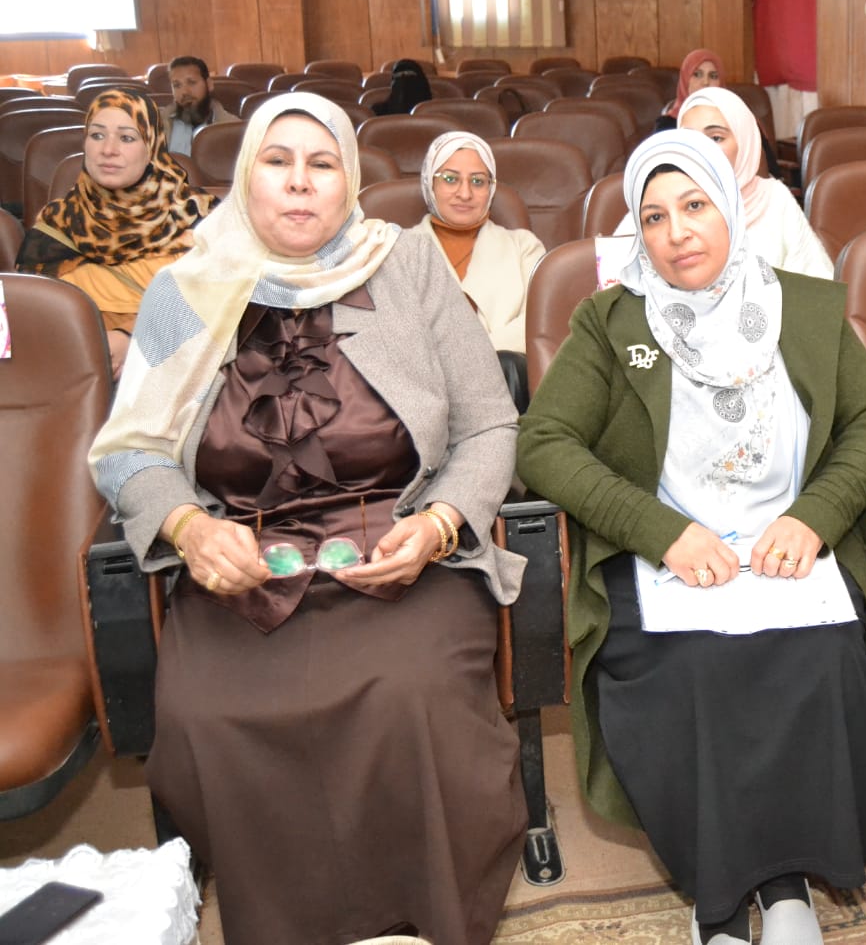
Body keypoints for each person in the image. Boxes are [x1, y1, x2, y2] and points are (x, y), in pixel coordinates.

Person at [87, 92, 527, 945]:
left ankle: (426, 921)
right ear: (244, 177)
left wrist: (441, 523)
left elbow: (489, 425)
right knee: (208, 718)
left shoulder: (407, 265)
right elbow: (128, 450)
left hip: (401, 552)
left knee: (416, 700)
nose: (299, 182)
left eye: (322, 164)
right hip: (240, 564)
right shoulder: (183, 290)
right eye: (277, 161)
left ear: (349, 181)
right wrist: (187, 528)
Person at [518, 131, 866, 945]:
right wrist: (661, 532)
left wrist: (815, 515)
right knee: (695, 667)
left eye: (694, 205)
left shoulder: (806, 308)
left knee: (818, 657)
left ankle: (789, 880)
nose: (676, 232)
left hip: (785, 545)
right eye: (653, 216)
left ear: (729, 208)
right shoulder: (611, 319)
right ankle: (721, 900)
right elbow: (544, 443)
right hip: (667, 557)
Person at [15, 87, 216, 377]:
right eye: (97, 135)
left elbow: (228, 307)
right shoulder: (57, 223)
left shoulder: (200, 218)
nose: (108, 150)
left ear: (151, 146)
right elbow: (27, 318)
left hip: (177, 376)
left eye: (126, 138)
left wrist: (132, 338)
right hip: (71, 376)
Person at [613, 86, 830, 278]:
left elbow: (816, 281)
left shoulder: (774, 197)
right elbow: (613, 277)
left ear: (744, 142)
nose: (702, 149)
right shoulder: (657, 198)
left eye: (716, 138)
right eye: (690, 138)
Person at [401, 130, 547, 353]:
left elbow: (540, 322)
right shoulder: (396, 249)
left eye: (478, 182)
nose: (465, 193)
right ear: (430, 184)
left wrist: (473, 355)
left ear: (491, 189)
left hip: (506, 370)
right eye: (450, 179)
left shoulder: (524, 247)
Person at [161, 55, 238, 155]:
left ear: (209, 84)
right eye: (177, 85)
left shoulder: (233, 128)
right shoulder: (157, 124)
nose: (184, 92)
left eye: (191, 82)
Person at [652, 47, 723, 132]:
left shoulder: (732, 120)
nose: (706, 82)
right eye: (697, 74)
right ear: (685, 80)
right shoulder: (667, 125)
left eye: (713, 76)